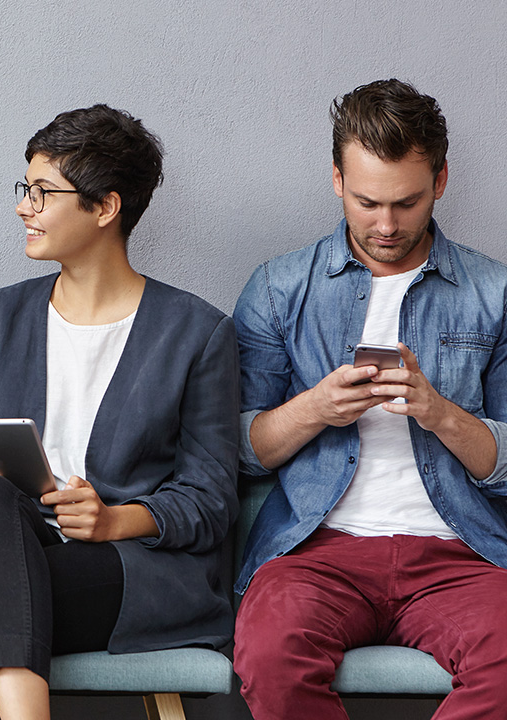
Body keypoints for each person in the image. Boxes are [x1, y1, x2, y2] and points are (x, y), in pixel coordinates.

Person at [0, 105, 240, 720]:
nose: (23, 207)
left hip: (132, 569)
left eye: (43, 192)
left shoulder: (197, 333)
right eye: (26, 188)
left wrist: (115, 519)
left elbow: (212, 497)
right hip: (9, 540)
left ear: (104, 207)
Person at [233, 79, 507, 720]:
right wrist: (315, 408)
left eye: (407, 203)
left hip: (460, 552)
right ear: (336, 180)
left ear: (441, 182)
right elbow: (239, 452)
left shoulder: (495, 294)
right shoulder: (279, 287)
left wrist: (439, 413)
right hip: (317, 551)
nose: (386, 225)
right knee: (271, 655)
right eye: (367, 202)